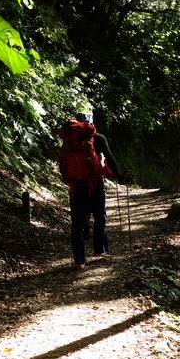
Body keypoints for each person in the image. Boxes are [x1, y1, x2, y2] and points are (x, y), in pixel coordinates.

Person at [59, 109, 130, 270]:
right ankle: (99, 249)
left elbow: (62, 161)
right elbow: (110, 158)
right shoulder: (97, 138)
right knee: (100, 216)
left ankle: (79, 261)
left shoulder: (69, 140)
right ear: (91, 122)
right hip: (95, 184)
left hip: (76, 187)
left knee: (76, 223)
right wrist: (119, 176)